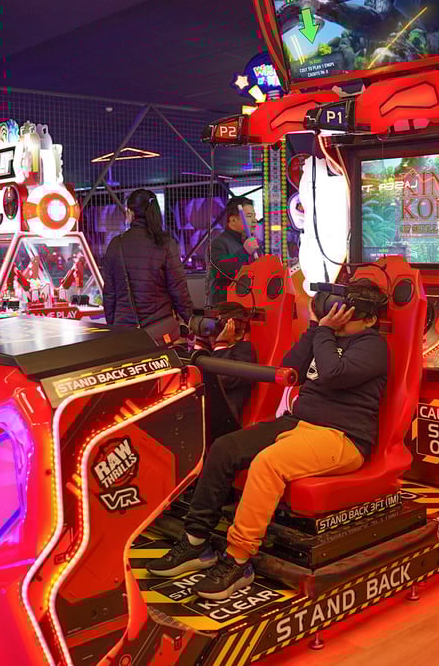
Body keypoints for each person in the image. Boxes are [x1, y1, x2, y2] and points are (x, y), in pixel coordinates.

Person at [148, 278, 389, 600]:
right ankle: (196, 541)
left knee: (268, 464)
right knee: (225, 448)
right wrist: (316, 328)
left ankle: (238, 560)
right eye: (335, 312)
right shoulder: (326, 335)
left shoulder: (373, 345)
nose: (339, 319)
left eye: (347, 314)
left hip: (342, 437)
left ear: (369, 319)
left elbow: (333, 374)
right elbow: (290, 368)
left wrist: (324, 332)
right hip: (299, 422)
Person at [103, 189, 194, 344]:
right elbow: (178, 288)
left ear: (130, 213)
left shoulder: (116, 244)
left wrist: (113, 327)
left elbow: (109, 294)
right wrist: (190, 319)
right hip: (159, 329)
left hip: (125, 330)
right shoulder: (165, 243)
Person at [192, 302, 258, 419]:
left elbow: (223, 379)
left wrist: (221, 344)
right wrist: (200, 344)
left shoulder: (245, 350)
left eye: (218, 330)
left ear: (236, 331)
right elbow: (191, 375)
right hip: (200, 406)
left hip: (224, 414)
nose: (213, 336)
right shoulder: (212, 350)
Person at [207, 196, 259, 305]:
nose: (255, 220)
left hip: (248, 303)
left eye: (255, 216)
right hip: (225, 306)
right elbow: (218, 272)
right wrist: (244, 252)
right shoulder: (218, 243)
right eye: (249, 216)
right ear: (233, 220)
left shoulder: (250, 243)